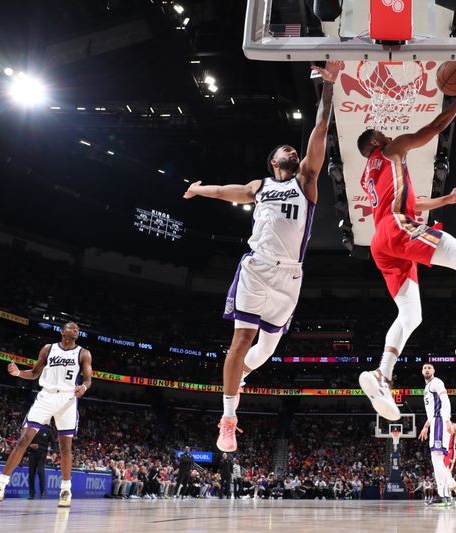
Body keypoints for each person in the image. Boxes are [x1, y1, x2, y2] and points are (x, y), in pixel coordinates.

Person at [183, 61, 341, 451]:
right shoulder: (260, 185)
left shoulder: (306, 180)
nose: (292, 149)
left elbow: (320, 129)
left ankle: (240, 375)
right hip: (256, 267)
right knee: (241, 340)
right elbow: (225, 191)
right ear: (274, 161)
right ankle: (228, 417)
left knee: (267, 350)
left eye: (294, 148)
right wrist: (198, 190)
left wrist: (329, 86)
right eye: (285, 149)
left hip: (290, 276)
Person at [356, 73, 456, 422]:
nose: (387, 131)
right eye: (381, 132)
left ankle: (382, 375)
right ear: (376, 141)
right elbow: (431, 131)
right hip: (396, 227)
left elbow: (415, 203)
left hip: (383, 239)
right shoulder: (391, 149)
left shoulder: (371, 172)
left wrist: (447, 198)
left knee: (412, 314)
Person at [0, 322, 92, 507]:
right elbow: (34, 373)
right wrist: (18, 372)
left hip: (67, 399)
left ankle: (66, 490)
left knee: (65, 447)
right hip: (46, 397)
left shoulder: (83, 353)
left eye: (77, 329)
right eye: (71, 327)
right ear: (62, 331)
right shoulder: (48, 349)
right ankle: (0, 486)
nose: (75, 330)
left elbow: (88, 380)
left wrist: (83, 387)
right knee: (23, 440)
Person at [418, 364, 455, 507]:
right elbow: (433, 411)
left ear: (433, 371)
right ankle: (446, 496)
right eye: (424, 368)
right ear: (422, 372)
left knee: (437, 458)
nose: (427, 370)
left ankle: (442, 495)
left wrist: (447, 420)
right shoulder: (427, 388)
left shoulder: (437, 382)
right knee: (438, 460)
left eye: (429, 368)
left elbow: (445, 401)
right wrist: (426, 426)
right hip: (435, 422)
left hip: (440, 421)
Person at [27, 426, 52, 500]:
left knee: (40, 471)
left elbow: (54, 442)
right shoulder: (32, 429)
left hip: (42, 454)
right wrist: (30, 445)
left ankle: (42, 491)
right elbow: (26, 441)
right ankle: (31, 493)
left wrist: (54, 452)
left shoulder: (48, 430)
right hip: (32, 454)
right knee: (31, 474)